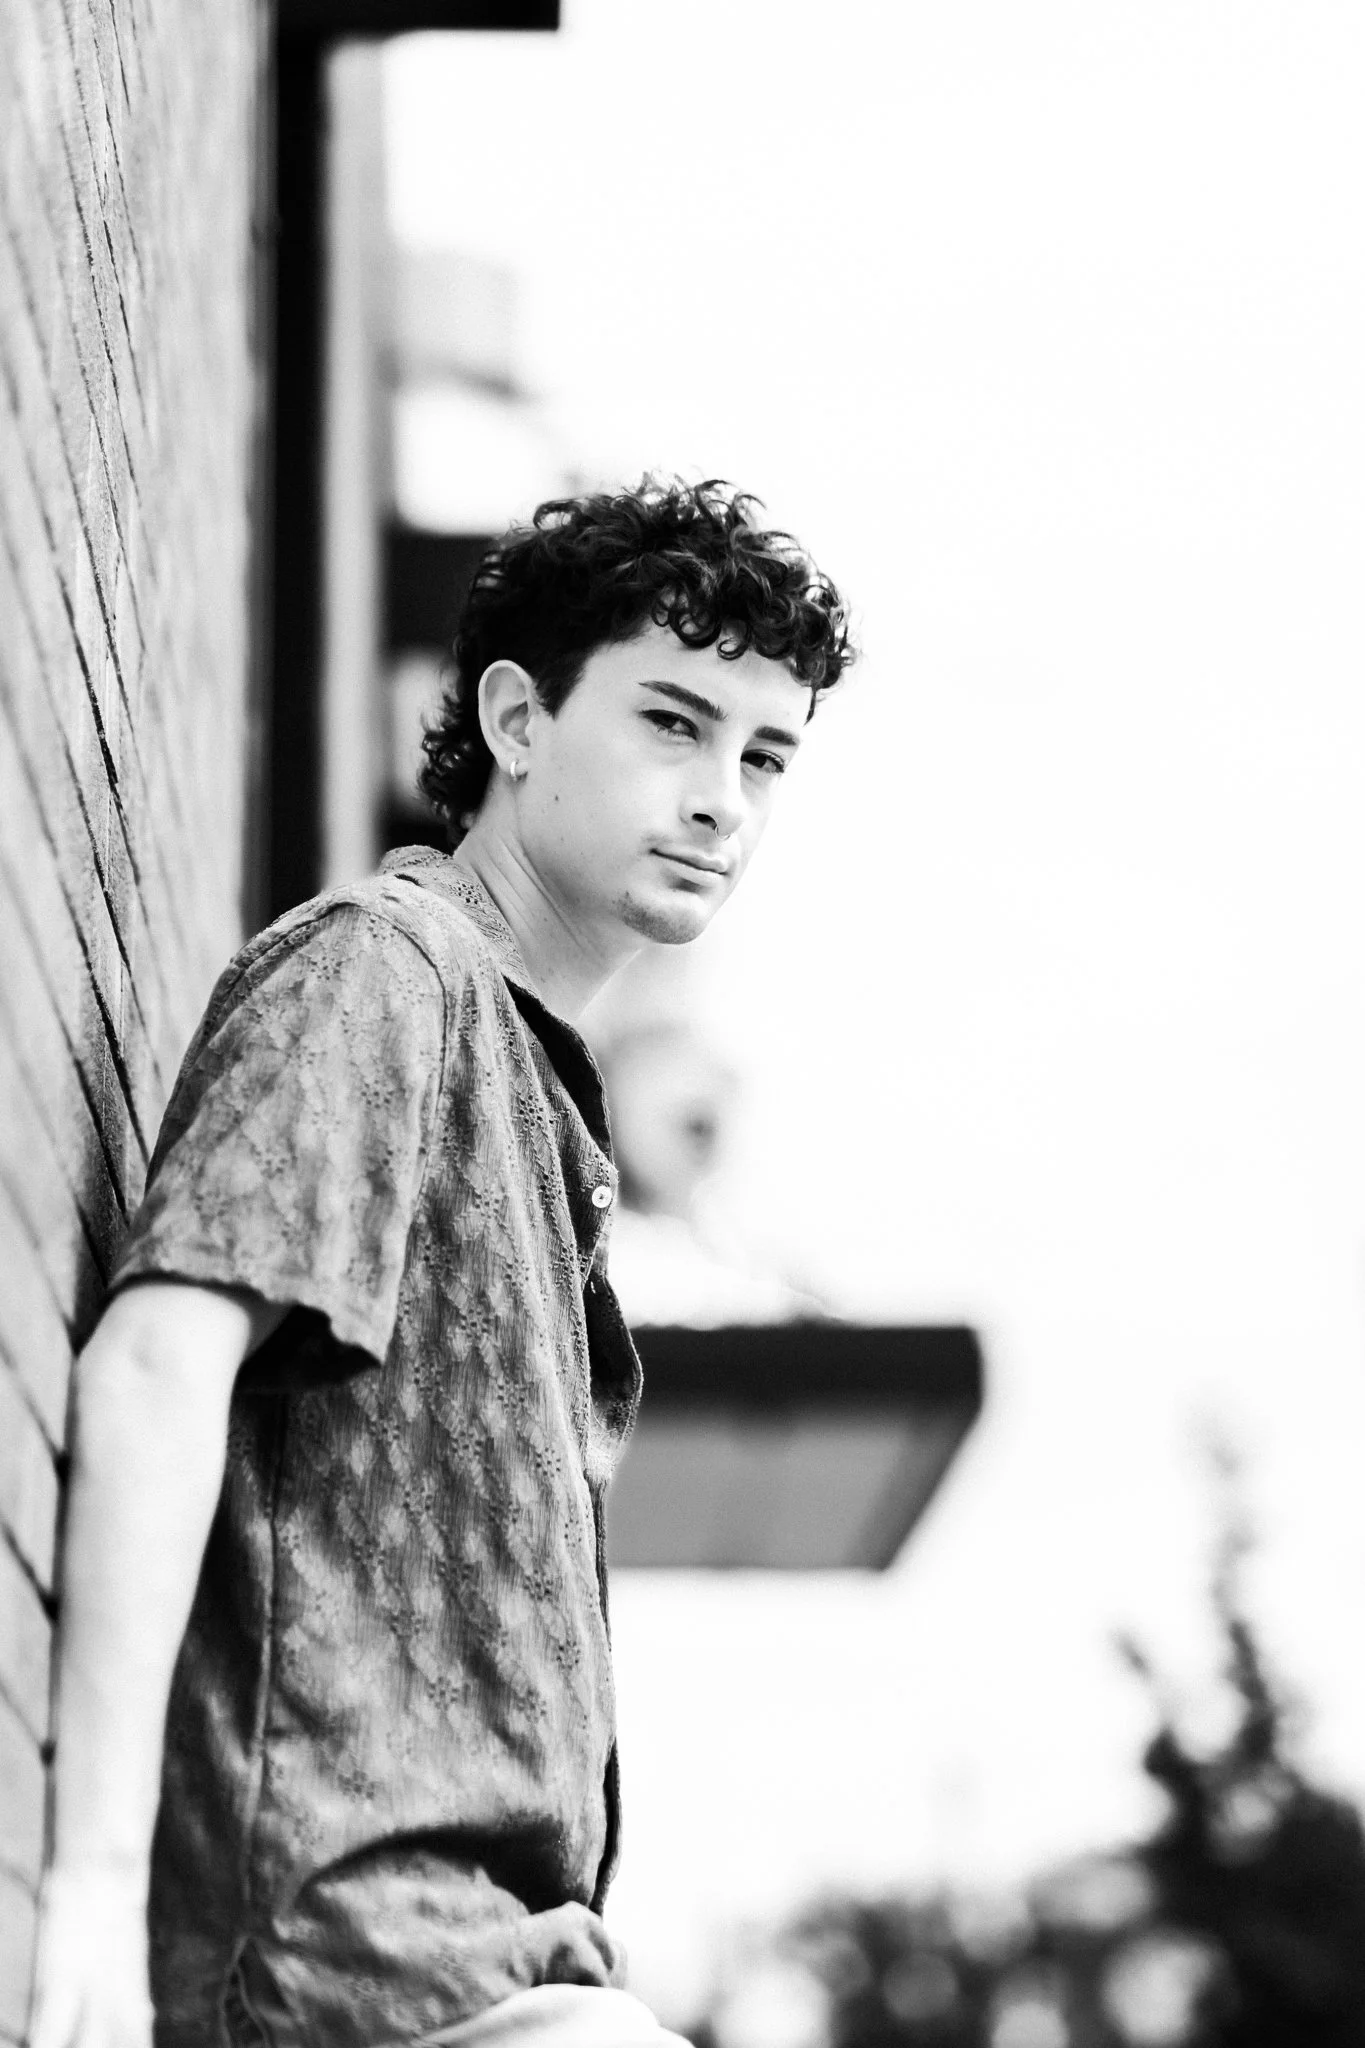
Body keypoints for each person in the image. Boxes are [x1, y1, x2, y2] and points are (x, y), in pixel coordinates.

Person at [30, 476, 854, 2048]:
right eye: (671, 724)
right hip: (359, 1973)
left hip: (507, 1973)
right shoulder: (387, 978)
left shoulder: (540, 1099)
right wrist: (87, 1891)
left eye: (763, 756)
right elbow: (157, 1361)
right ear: (518, 718)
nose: (721, 800)